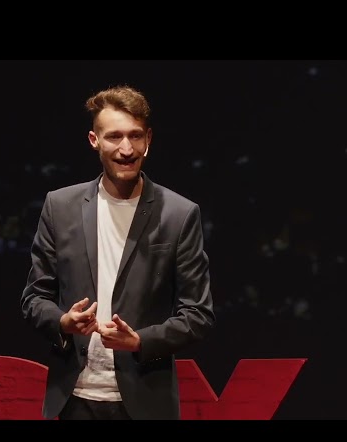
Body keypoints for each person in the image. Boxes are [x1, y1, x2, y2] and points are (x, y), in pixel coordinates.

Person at [20, 85, 215, 420]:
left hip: (145, 401)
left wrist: (140, 341)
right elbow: (34, 298)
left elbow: (198, 314)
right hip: (73, 398)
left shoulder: (179, 214)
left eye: (135, 136)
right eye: (114, 137)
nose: (126, 149)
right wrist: (63, 322)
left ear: (148, 139)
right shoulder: (60, 206)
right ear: (94, 140)